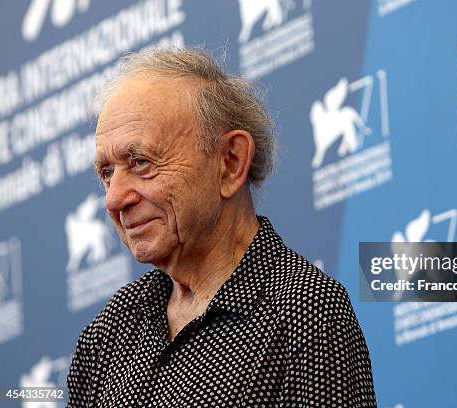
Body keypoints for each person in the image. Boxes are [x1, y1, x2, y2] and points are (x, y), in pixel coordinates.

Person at [66, 47, 377, 407]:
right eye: (107, 173)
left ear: (230, 163)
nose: (114, 199)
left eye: (140, 162)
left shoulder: (305, 312)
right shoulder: (107, 333)